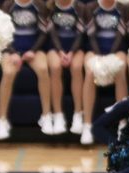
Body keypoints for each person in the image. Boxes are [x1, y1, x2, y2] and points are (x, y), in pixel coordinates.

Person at [0, 0, 53, 140]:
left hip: (33, 50)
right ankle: (2, 120)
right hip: (11, 51)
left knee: (43, 69)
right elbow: (2, 34)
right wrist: (13, 52)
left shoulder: (38, 5)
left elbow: (43, 33)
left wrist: (32, 51)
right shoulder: (8, 5)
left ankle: (46, 115)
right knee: (8, 73)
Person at [78, 0, 129, 144]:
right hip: (94, 50)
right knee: (90, 72)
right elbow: (91, 36)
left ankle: (123, 124)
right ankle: (87, 125)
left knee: (120, 68)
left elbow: (121, 36)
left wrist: (111, 55)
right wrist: (99, 55)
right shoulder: (91, 8)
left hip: (117, 50)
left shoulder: (122, 9)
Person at [45, 0, 86, 136]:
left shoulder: (79, 7)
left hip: (76, 48)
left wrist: (71, 52)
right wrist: (61, 52)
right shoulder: (50, 7)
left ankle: (78, 114)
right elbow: (52, 34)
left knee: (77, 67)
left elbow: (80, 35)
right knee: (55, 67)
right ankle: (58, 115)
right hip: (56, 48)